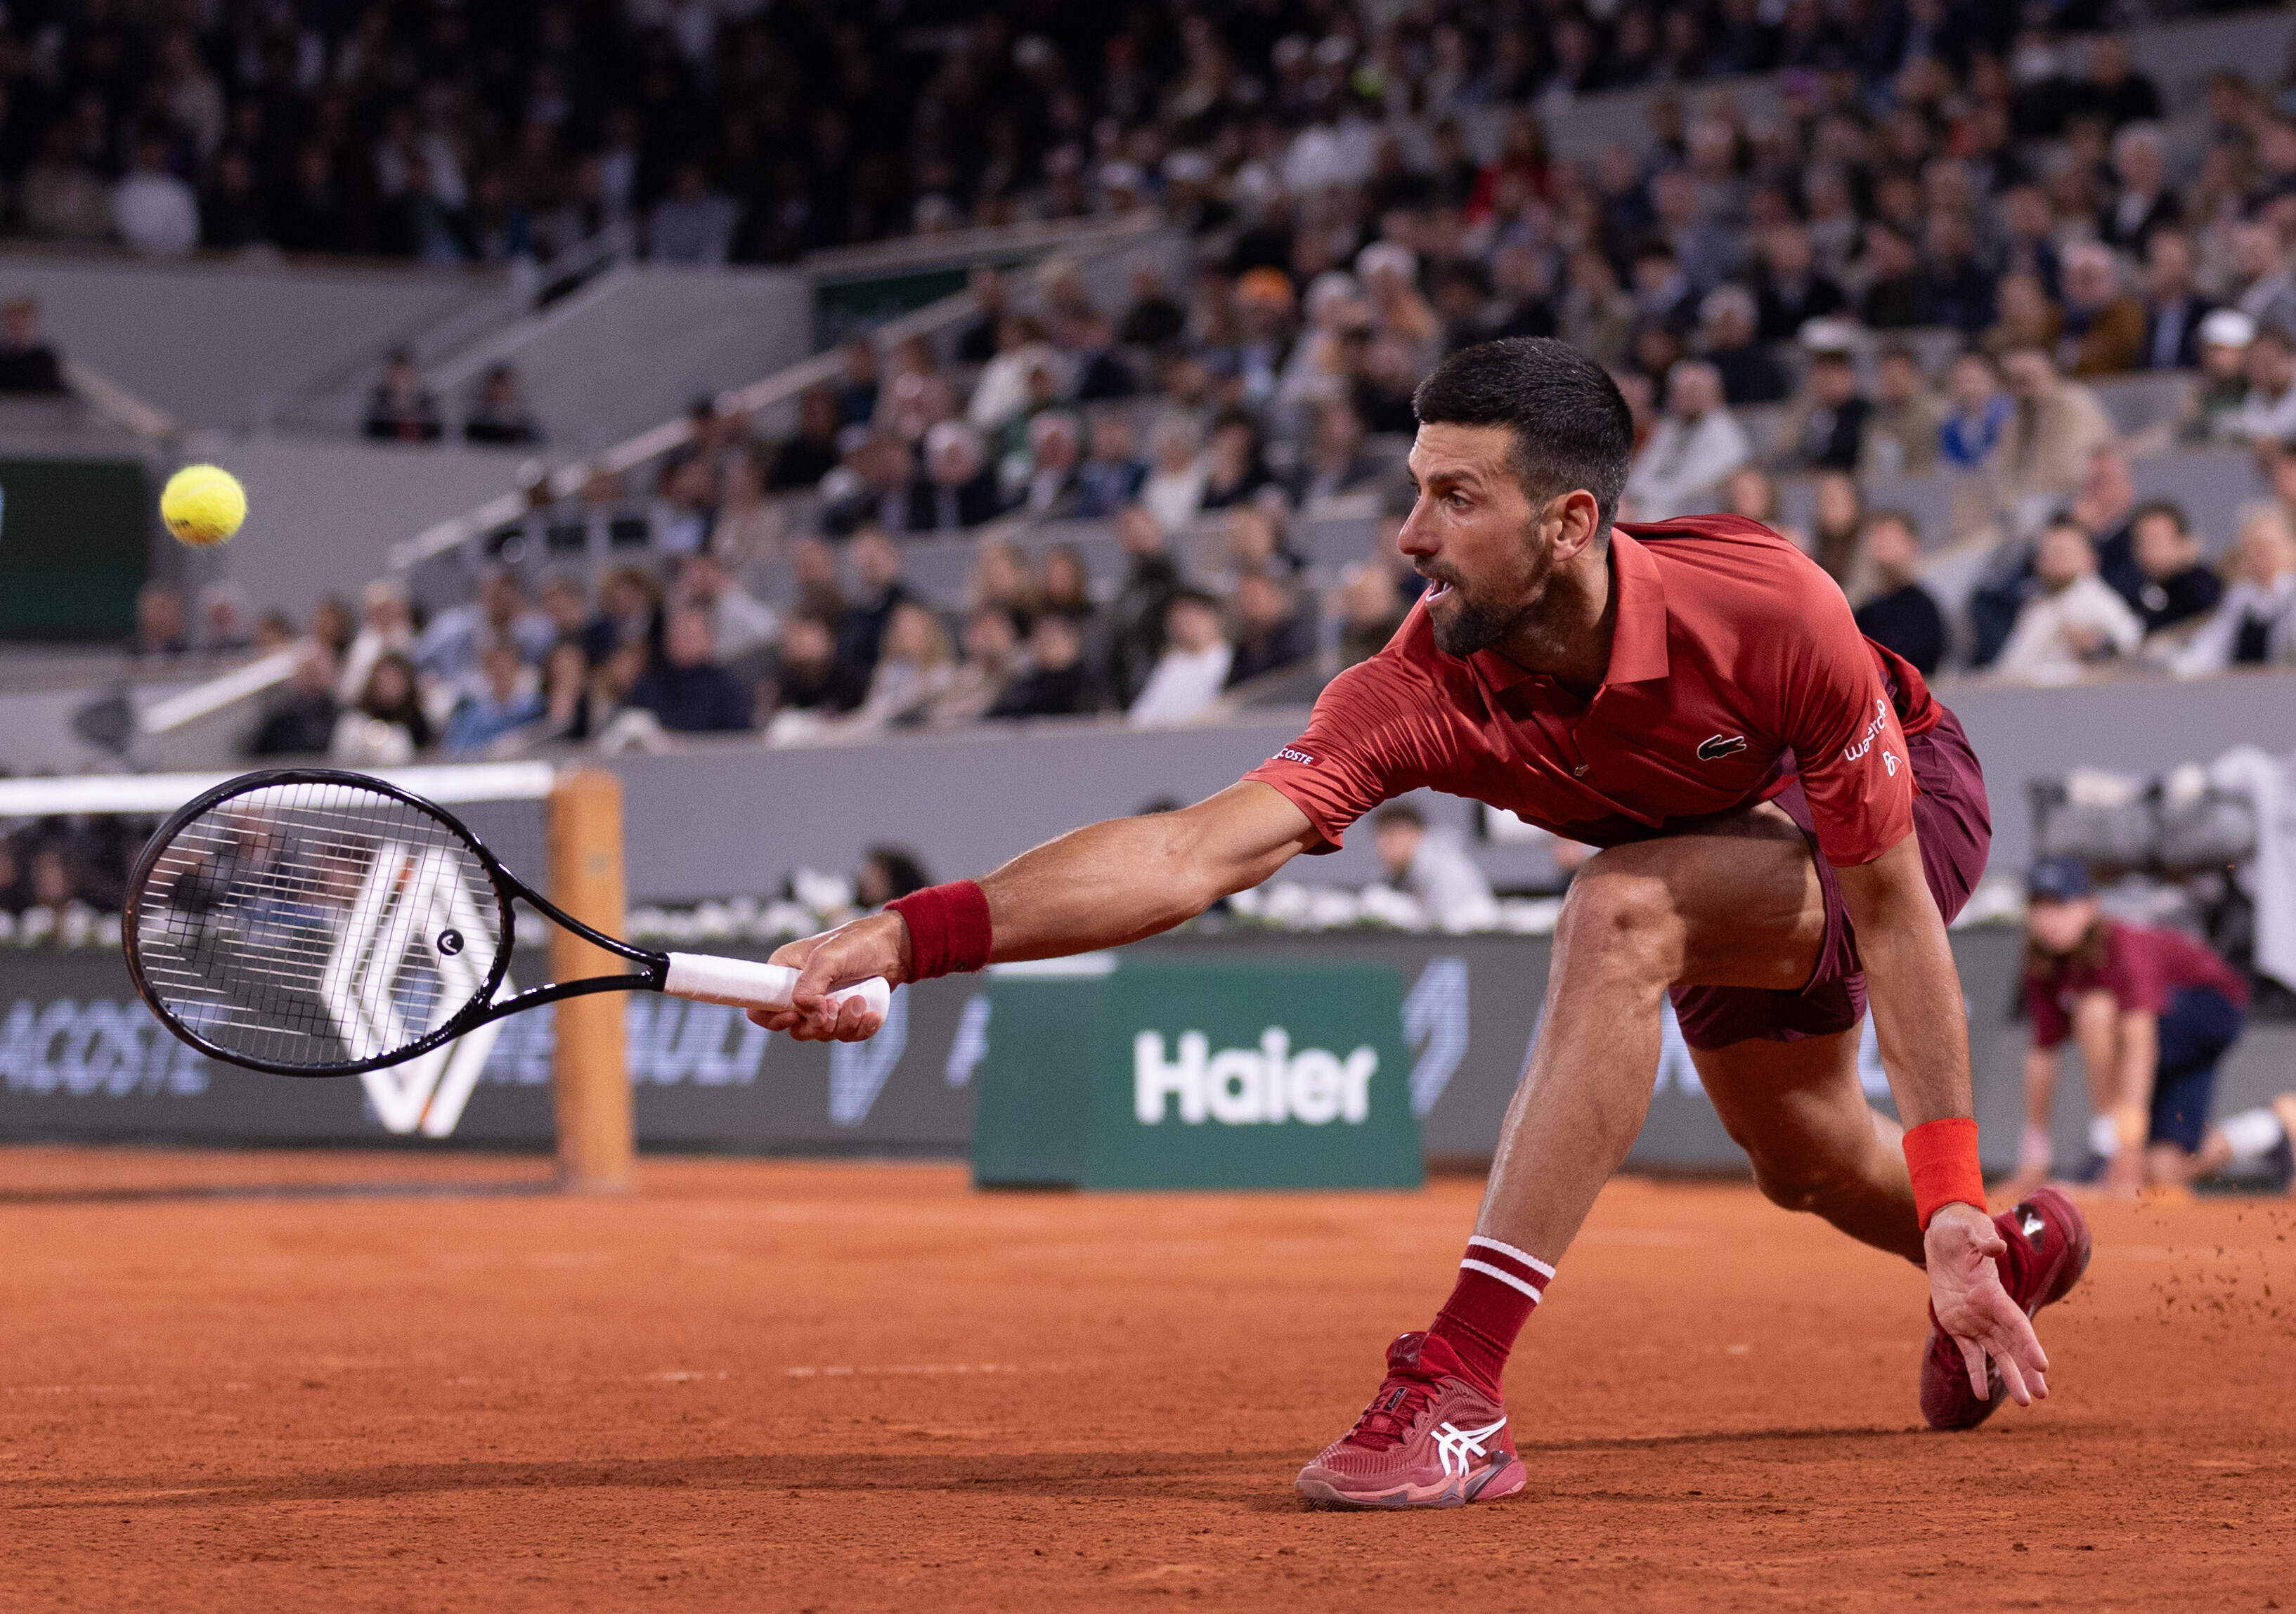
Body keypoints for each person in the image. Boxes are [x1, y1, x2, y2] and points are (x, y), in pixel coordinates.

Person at [751, 339, 2077, 1507]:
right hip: (1700, 851)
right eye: (1413, 488)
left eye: (1455, 497)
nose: (1409, 534)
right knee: (1803, 1160)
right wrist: (898, 934)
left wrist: (1951, 1175)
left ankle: (1457, 1384)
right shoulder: (1415, 688)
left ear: (1567, 521)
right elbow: (1188, 853)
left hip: (1892, 814)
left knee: (1616, 913)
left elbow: (1896, 918)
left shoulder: (1767, 607)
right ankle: (2009, 1256)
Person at [2008, 857, 2266, 1199]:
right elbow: (2043, 1056)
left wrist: (2124, 1150)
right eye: (2039, 906)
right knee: (2162, 1171)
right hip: (2166, 1041)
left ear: (2090, 907)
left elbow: (2140, 1044)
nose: (2050, 919)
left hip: (2209, 1012)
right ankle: (2271, 1130)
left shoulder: (2123, 948)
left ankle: (2106, 1146)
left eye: (2061, 904)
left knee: (2095, 1009)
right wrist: (2034, 1158)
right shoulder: (2041, 965)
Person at [1992, 516, 2143, 685]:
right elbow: (2011, 666)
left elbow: (2130, 644)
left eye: (2059, 552)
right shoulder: (2038, 600)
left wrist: (2099, 647)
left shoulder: (2096, 601)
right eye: (2044, 553)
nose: (2050, 560)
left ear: (2089, 558)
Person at [2171, 502, 2296, 675]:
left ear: (2291, 548)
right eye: (2250, 548)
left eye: (2266, 545)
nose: (2257, 555)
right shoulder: (2240, 599)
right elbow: (2207, 651)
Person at [1622, 359, 1749, 519]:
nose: (1688, 396)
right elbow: (1642, 472)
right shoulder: (1669, 428)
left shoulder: (1724, 433)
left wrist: (1642, 497)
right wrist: (1632, 496)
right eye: (1681, 390)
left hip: (1690, 514)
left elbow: (1691, 487)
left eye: (1694, 389)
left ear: (1714, 393)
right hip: (1649, 505)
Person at [1370, 802, 1499, 933]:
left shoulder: (1446, 873)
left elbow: (1449, 937)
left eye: (1389, 839)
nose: (1380, 850)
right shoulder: (1421, 871)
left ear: (1412, 833)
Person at [627, 607, 752, 734]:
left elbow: (739, 740)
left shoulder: (728, 689)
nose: (680, 641)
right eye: (675, 635)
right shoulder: (647, 686)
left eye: (687, 636)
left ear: (709, 639)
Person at [1853, 510, 1946, 677]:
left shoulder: (1923, 611)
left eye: (1891, 541)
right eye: (1878, 542)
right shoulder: (1864, 613)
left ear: (1913, 545)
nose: (1883, 549)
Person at [2112, 500, 2223, 641]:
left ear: (2183, 542)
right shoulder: (2136, 588)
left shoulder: (2202, 588)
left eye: (2156, 541)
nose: (2147, 551)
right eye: (2140, 542)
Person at [1125, 590, 1233, 728]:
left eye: (1191, 614)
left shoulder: (1230, 658)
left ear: (1213, 618)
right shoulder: (1171, 663)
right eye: (1178, 616)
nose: (1184, 623)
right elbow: (1139, 720)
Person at [441, 642, 545, 755]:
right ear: (487, 670)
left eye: (505, 666)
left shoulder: (535, 709)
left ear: (516, 668)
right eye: (495, 668)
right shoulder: (471, 711)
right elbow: (455, 750)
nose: (500, 672)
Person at [330, 651, 432, 765]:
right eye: (384, 680)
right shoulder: (353, 722)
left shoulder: (418, 724)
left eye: (395, 680)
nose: (388, 685)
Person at [987, 613, 1096, 719]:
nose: (1045, 646)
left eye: (1053, 640)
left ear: (1073, 644)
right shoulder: (1027, 682)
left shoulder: (1083, 684)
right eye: (1041, 639)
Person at [247, 642, 340, 756]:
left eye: (318, 671)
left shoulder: (344, 719)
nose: (312, 677)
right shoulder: (280, 723)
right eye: (309, 671)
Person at [363, 348, 443, 443]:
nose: (402, 379)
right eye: (397, 373)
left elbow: (435, 439)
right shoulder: (379, 411)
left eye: (406, 374)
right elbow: (373, 438)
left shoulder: (427, 410)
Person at [0, 295, 67, 394]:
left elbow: (57, 396)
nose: (18, 324)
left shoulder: (45, 362)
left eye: (23, 318)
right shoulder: (3, 362)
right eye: (12, 319)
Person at [464, 365, 540, 445]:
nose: (498, 394)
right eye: (494, 393)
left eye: (503, 390)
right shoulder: (475, 427)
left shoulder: (525, 429)